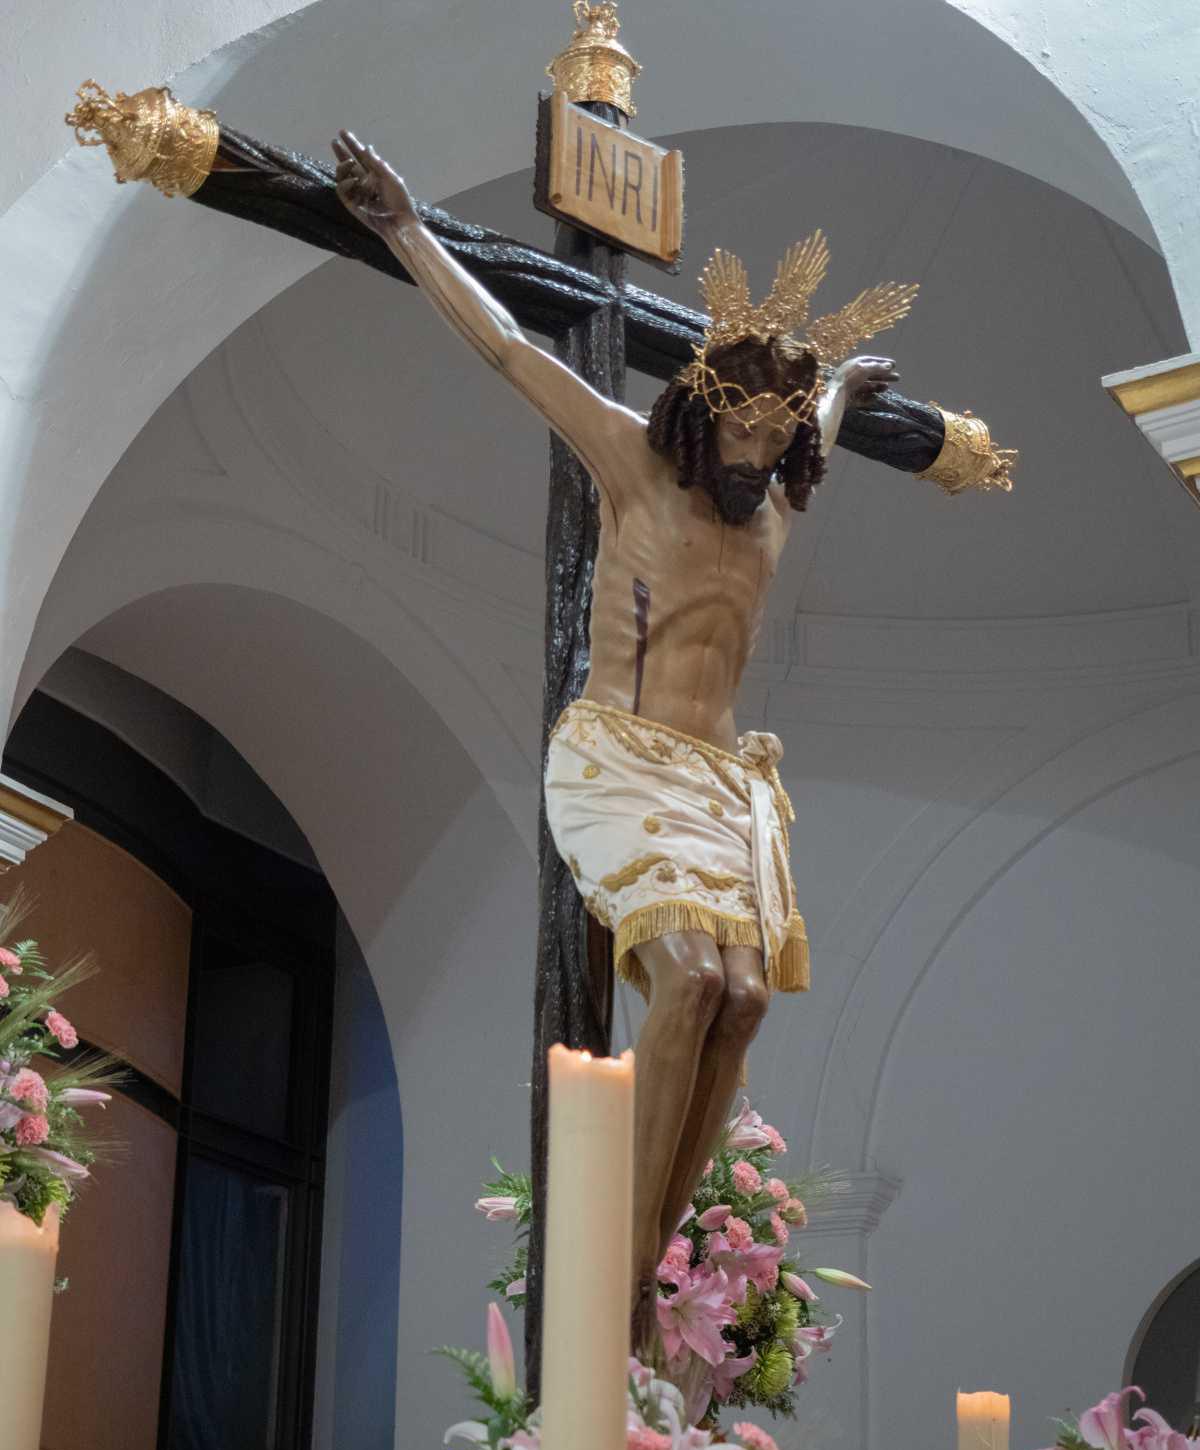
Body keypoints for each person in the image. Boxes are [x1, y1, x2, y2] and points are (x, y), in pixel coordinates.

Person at [333, 129, 912, 1348]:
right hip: (621, 755)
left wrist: (850, 391)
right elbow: (503, 347)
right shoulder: (634, 470)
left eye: (781, 435)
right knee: (692, 976)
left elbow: (836, 431)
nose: (757, 459)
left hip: (722, 785)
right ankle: (617, 1261)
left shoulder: (773, 520)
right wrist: (403, 229)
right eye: (742, 434)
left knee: (744, 999)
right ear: (704, 413)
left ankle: (646, 1252)